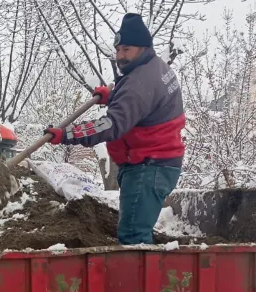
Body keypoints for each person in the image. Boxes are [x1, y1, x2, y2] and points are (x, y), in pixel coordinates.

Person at [47, 13, 185, 245]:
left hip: (148, 167)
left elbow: (110, 126)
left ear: (143, 47)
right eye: (118, 49)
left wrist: (66, 134)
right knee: (137, 232)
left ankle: (140, 281)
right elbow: (146, 106)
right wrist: (113, 96)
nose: (120, 56)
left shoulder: (138, 85)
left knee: (133, 238)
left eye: (126, 50)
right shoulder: (155, 68)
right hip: (158, 163)